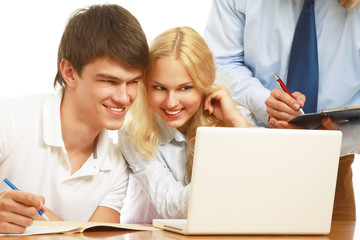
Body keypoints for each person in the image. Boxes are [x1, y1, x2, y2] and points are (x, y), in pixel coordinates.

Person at [204, 0, 359, 221]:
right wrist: (264, 101)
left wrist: (334, 138)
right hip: (247, 154)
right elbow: (219, 62)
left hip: (332, 167)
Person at [0, 4, 149, 233]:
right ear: (69, 72)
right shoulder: (9, 120)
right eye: (109, 81)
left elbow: (97, 238)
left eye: (133, 82)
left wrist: (46, 223)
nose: (124, 97)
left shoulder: (117, 165)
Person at [118, 26, 250, 223]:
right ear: (145, 84)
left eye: (185, 88)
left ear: (205, 82)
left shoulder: (234, 118)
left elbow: (266, 185)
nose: (171, 102)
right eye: (159, 88)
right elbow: (172, 207)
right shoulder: (134, 133)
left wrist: (239, 125)